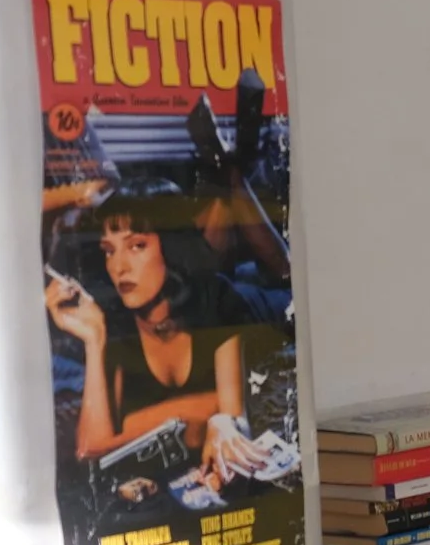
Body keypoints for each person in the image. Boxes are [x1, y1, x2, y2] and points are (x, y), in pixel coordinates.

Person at [44, 180, 268, 489]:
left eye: (137, 245)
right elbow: (90, 451)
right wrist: (94, 341)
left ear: (171, 245)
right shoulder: (114, 321)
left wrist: (142, 424)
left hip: (262, 302)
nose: (119, 267)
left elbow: (233, 415)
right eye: (109, 251)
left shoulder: (216, 299)